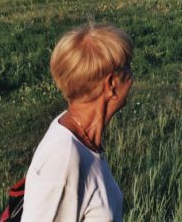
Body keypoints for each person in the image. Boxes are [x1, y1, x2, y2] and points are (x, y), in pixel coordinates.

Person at [21, 24, 134, 222]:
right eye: (128, 68)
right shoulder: (64, 159)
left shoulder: (83, 139)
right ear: (111, 85)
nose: (132, 78)